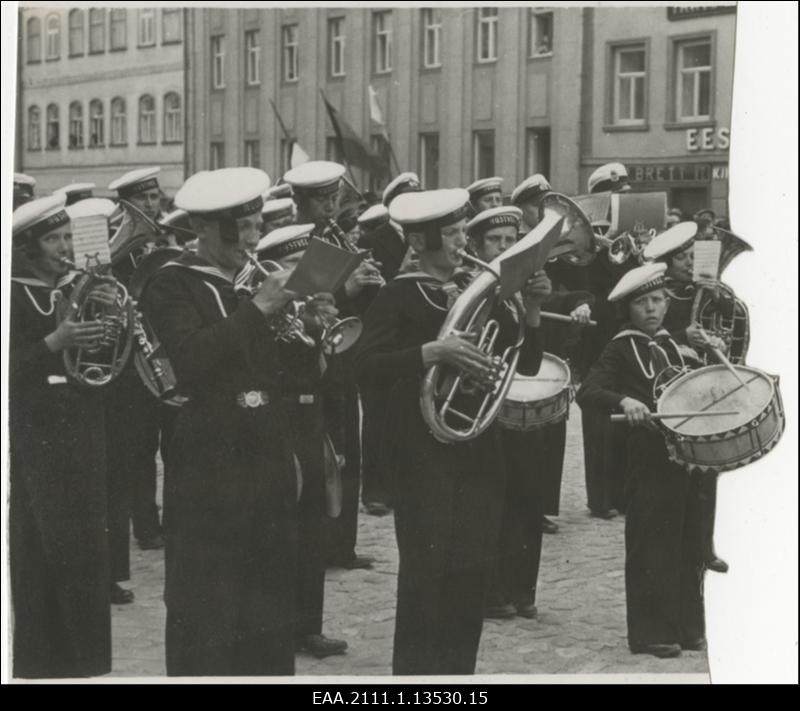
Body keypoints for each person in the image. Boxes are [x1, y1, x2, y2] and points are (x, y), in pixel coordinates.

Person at [354, 188, 552, 675]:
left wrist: (530, 310)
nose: (465, 239)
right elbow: (363, 366)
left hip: (480, 448)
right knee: (427, 576)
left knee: (470, 572)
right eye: (454, 232)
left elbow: (521, 364)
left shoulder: (480, 289)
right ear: (422, 241)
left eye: (463, 229)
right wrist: (431, 352)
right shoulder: (399, 294)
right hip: (423, 451)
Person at [142, 167, 321, 676]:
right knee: (209, 598)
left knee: (268, 591)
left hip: (266, 447)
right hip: (208, 455)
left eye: (254, 225)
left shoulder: (252, 282)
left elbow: (290, 374)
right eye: (239, 230)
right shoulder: (170, 283)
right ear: (202, 229)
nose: (252, 239)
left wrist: (309, 329)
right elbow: (192, 362)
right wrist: (259, 309)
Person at [577, 262, 706, 659]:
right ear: (628, 309)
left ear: (667, 304)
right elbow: (588, 390)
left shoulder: (673, 345)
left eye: (657, 300)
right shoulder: (620, 347)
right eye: (642, 303)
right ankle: (650, 633)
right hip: (648, 459)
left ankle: (686, 626)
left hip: (685, 458)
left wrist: (705, 353)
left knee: (687, 542)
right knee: (652, 541)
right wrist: (624, 400)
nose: (651, 309)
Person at [10, 194, 112, 678]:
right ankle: (40, 662)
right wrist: (55, 343)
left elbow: (105, 362)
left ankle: (85, 660)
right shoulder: (12, 294)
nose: (64, 248)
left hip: (82, 430)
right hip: (35, 437)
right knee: (42, 551)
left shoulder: (81, 288)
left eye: (68, 237)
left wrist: (110, 331)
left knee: (86, 551)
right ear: (28, 249)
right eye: (53, 239)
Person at [255, 223, 351, 659]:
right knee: (282, 528)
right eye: (293, 264)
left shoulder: (306, 311)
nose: (302, 274)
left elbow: (326, 374)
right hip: (279, 419)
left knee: (313, 525)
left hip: (311, 419)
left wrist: (318, 331)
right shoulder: (265, 313)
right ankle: (275, 624)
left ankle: (309, 625)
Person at [284, 160, 383, 570]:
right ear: (300, 201)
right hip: (309, 355)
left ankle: (343, 545)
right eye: (321, 199)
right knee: (322, 451)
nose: (330, 206)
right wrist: (348, 287)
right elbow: (302, 298)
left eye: (333, 198)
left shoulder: (336, 237)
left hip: (342, 353)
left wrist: (366, 290)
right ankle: (321, 543)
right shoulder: (290, 241)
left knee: (348, 448)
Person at [643, 222, 731, 574]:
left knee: (708, 470)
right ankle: (677, 541)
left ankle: (704, 545)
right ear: (666, 263)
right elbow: (648, 333)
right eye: (682, 257)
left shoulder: (702, 288)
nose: (689, 262)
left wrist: (719, 295)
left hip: (704, 380)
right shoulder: (657, 292)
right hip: (672, 384)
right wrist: (684, 335)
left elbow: (728, 316)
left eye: (692, 255)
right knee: (677, 471)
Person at [579, 161, 636, 519]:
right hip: (597, 333)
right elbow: (585, 283)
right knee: (599, 413)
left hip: (624, 329)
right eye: (615, 194)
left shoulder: (631, 232)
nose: (621, 199)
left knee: (625, 410)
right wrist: (602, 250)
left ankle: (622, 492)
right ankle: (600, 498)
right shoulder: (586, 237)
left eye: (624, 194)